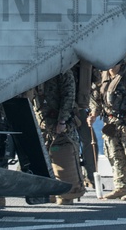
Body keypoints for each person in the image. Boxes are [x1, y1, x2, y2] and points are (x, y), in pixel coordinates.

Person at [88, 57, 126, 201]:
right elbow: (96, 97)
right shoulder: (103, 77)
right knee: (115, 157)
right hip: (110, 124)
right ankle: (120, 187)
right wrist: (93, 114)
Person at [30, 69, 86, 204]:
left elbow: (69, 98)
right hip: (44, 124)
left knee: (65, 159)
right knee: (48, 160)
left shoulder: (64, 73)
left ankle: (68, 195)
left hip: (60, 125)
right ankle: (52, 192)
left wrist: (62, 121)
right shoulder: (37, 74)